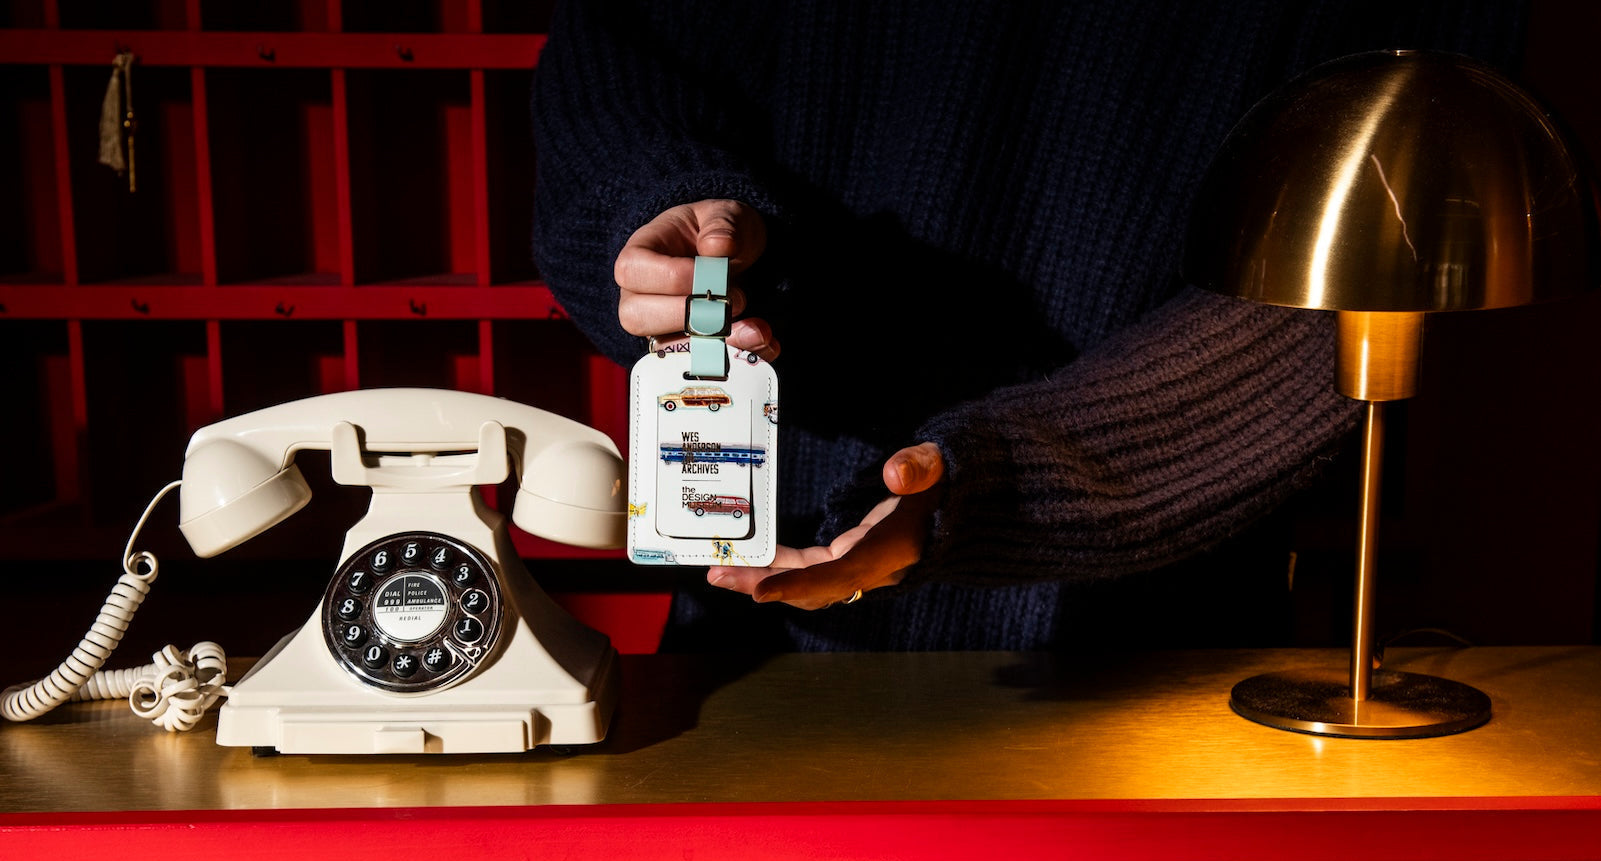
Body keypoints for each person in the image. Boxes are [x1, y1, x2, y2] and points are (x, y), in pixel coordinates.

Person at [530, 1, 1527, 651]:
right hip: (760, 611)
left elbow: (1367, 256)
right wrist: (657, 206)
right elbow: (618, 56)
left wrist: (999, 483)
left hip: (1142, 641)